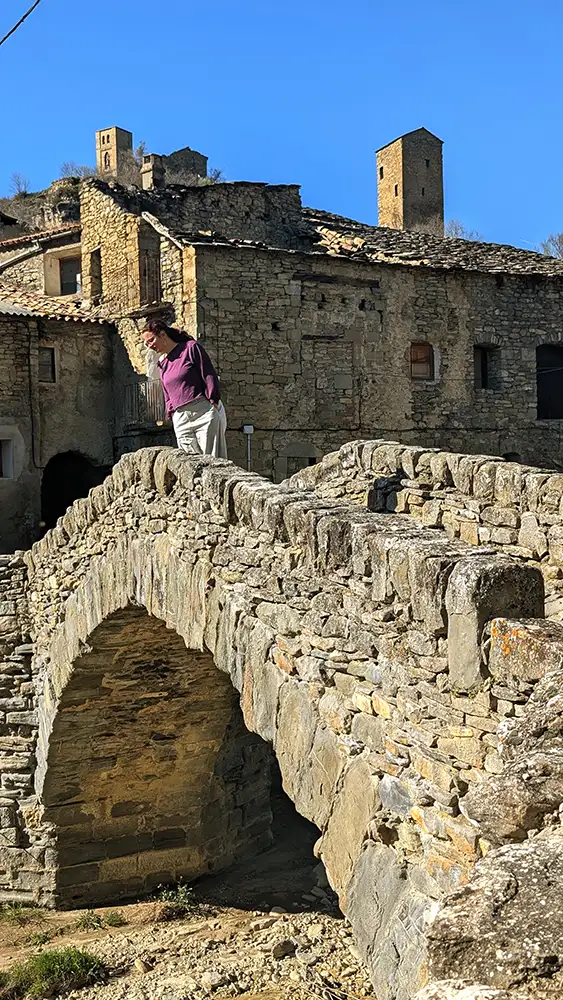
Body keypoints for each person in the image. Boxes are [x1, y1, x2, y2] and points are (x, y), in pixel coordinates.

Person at [142, 318, 228, 458]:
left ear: (163, 335)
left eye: (151, 340)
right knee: (190, 465)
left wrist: (213, 399)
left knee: (213, 460)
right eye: (146, 343)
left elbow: (208, 374)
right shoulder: (162, 363)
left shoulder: (190, 348)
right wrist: (170, 412)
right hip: (180, 417)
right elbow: (166, 391)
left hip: (202, 410)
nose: (149, 346)